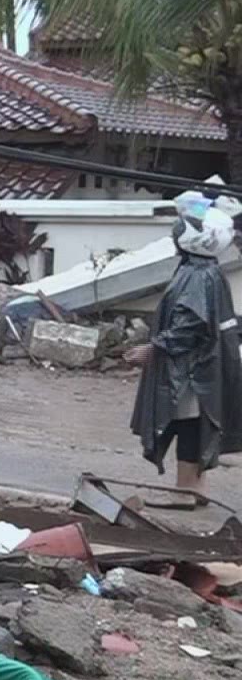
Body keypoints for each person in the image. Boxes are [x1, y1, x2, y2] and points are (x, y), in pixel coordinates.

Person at [128, 197, 242, 491]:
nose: (173, 238)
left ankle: (186, 491)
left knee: (188, 423)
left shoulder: (196, 275)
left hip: (192, 369)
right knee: (196, 422)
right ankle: (196, 489)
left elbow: (190, 325)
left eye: (177, 233)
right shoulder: (207, 270)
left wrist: (154, 348)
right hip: (204, 364)